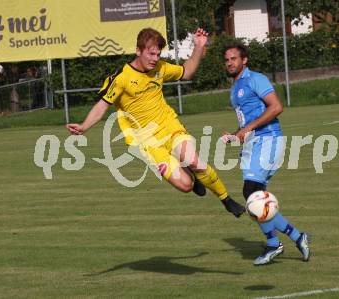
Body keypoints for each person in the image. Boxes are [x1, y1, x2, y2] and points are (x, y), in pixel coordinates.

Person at [66, 28, 245, 217]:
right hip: (148, 142)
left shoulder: (160, 68)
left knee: (194, 161)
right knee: (186, 185)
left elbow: (187, 72)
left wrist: (199, 47)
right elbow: (102, 106)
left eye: (158, 54)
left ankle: (226, 199)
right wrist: (84, 126)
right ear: (138, 51)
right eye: (151, 53)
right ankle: (194, 179)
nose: (155, 58)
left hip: (170, 127)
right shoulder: (121, 78)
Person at [222, 43, 310, 265]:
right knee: (256, 197)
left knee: (251, 193)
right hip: (254, 144)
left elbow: (276, 107)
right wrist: (236, 135)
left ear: (244, 60)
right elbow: (247, 122)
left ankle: (275, 244)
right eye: (227, 59)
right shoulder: (236, 87)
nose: (229, 63)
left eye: (233, 58)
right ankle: (296, 238)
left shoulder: (255, 79)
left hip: (268, 139)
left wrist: (246, 130)